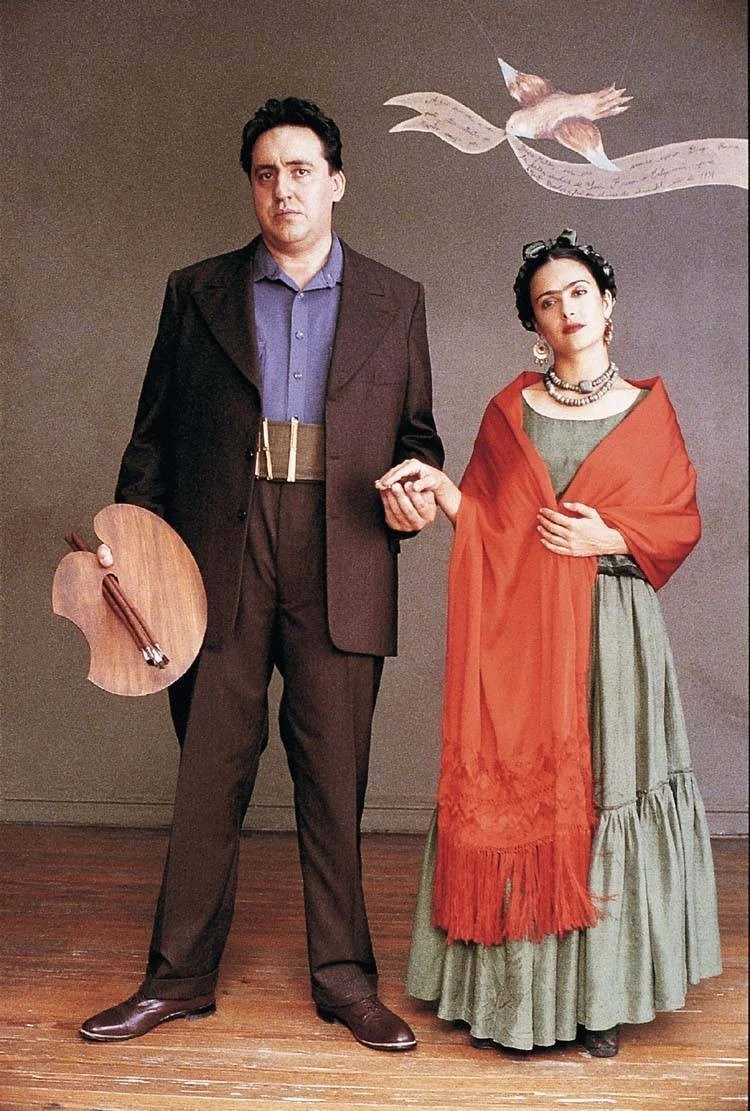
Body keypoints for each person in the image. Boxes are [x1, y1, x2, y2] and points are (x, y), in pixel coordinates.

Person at [80, 97, 444, 1051]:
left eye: (302, 169)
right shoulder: (195, 291)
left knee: (334, 776)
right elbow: (151, 438)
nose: (285, 188)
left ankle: (347, 981)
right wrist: (132, 549)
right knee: (209, 771)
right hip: (215, 553)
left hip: (343, 545)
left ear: (337, 181)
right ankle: (176, 979)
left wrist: (413, 492)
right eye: (266, 172)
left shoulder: (396, 299)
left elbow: (418, 439)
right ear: (252, 186)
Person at [376, 229, 722, 1057]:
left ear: (607, 302)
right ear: (534, 325)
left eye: (577, 292)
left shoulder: (649, 408)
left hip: (616, 637)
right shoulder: (511, 412)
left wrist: (613, 536)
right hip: (528, 637)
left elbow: (679, 521)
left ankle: (601, 1001)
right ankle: (513, 999)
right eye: (546, 302)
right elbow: (493, 526)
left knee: (606, 796)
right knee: (527, 794)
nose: (565, 309)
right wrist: (446, 491)